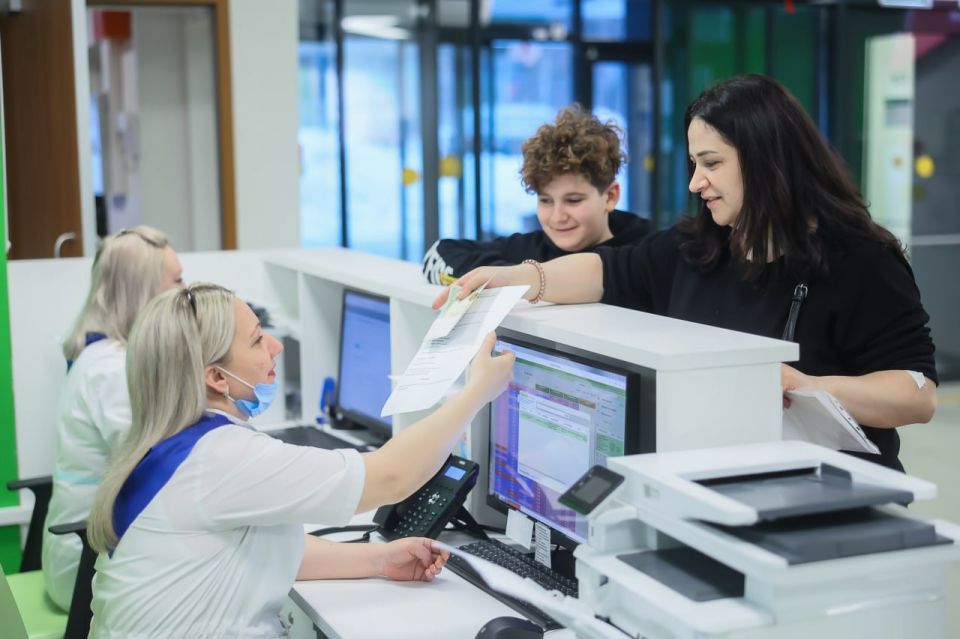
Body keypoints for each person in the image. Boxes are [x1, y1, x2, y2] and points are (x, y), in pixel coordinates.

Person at [434, 74, 938, 472]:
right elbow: (605, 271)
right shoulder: (696, 247)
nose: (697, 181)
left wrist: (800, 385)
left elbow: (915, 396)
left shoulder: (860, 259)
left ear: (767, 160)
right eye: (695, 163)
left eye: (712, 163)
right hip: (715, 481)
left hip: (827, 494)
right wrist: (516, 278)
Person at [86, 283, 514, 637]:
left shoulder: (165, 441)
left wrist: (379, 561)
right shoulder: (219, 457)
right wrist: (476, 392)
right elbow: (394, 475)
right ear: (216, 377)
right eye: (256, 339)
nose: (274, 346)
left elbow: (258, 547)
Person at [43, 225, 183, 611]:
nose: (185, 294)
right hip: (87, 564)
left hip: (95, 546)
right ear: (144, 292)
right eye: (177, 281)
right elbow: (156, 465)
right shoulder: (113, 369)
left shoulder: (107, 355)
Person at [422, 104, 649, 285]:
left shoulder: (649, 252)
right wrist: (511, 277)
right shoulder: (531, 249)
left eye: (573, 200)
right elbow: (439, 253)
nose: (558, 216)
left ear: (610, 196)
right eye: (545, 200)